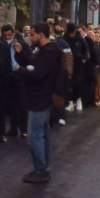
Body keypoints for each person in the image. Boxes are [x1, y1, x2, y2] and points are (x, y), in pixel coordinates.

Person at [19, 23, 60, 183]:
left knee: (34, 136)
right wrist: (22, 55)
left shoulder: (48, 52)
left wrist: (22, 71)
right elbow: (35, 64)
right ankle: (42, 167)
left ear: (41, 35)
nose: (31, 37)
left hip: (40, 98)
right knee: (42, 135)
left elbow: (38, 74)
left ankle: (41, 169)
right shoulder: (48, 51)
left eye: (33, 34)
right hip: (43, 97)